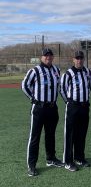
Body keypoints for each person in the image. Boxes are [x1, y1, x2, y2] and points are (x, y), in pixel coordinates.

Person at [21, 48, 64, 176]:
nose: (48, 57)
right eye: (46, 56)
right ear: (41, 57)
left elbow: (58, 86)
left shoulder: (56, 70)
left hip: (52, 107)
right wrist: (33, 99)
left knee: (50, 135)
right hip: (39, 108)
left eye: (50, 55)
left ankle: (51, 159)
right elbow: (24, 85)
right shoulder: (35, 70)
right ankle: (31, 165)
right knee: (35, 136)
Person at [60, 51, 91, 172]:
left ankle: (79, 157)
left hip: (84, 107)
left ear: (83, 59)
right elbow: (62, 90)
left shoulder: (87, 72)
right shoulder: (68, 73)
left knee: (81, 133)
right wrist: (69, 102)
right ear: (73, 59)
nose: (79, 60)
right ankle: (68, 161)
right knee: (70, 134)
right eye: (77, 58)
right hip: (73, 106)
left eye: (81, 58)